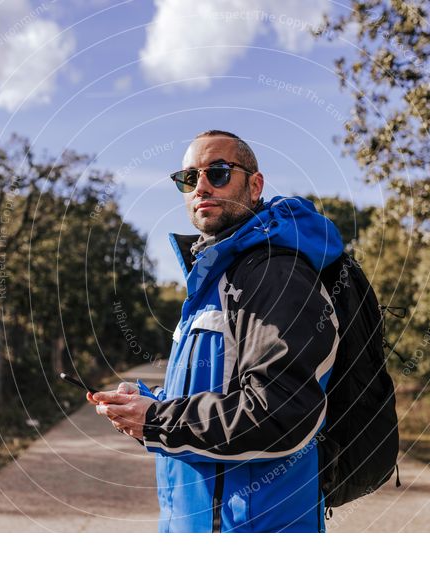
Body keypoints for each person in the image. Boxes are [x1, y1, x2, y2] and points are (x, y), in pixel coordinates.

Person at [88, 130, 344, 532]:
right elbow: (212, 398)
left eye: (219, 172)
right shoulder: (212, 280)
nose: (201, 186)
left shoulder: (273, 273)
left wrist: (157, 420)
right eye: (189, 178)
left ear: (254, 185)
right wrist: (147, 408)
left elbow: (281, 412)